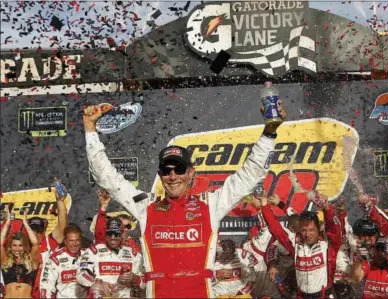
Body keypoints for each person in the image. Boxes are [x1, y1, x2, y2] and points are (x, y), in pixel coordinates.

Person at [83, 100, 286, 298]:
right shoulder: (145, 205)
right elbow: (106, 177)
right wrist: (90, 129)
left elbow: (250, 175)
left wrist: (269, 133)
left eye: (179, 169)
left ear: (191, 173)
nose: (172, 176)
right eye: (166, 170)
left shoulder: (210, 204)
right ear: (160, 174)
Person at [260, 192, 342, 299]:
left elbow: (335, 227)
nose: (307, 234)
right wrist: (264, 204)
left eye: (311, 230)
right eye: (304, 230)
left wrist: (327, 208)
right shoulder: (295, 244)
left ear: (318, 229)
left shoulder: (327, 245)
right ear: (299, 229)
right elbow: (276, 229)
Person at [76, 217, 145, 298]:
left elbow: (145, 281)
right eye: (110, 233)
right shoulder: (93, 251)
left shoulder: (133, 254)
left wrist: (135, 278)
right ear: (105, 234)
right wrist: (98, 282)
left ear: (122, 234)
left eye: (116, 234)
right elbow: (81, 274)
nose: (113, 237)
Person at [31, 185, 69, 298]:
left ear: (44, 231)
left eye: (39, 231)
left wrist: (60, 202)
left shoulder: (49, 243)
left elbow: (62, 227)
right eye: (33, 231)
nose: (36, 234)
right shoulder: (21, 246)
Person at [0, 210, 39, 299]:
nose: (17, 249)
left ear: (25, 246)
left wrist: (25, 223)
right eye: (14, 245)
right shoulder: (5, 262)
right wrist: (7, 222)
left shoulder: (31, 262)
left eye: (20, 245)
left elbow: (35, 244)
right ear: (10, 246)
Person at [40, 224, 86, 298]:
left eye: (77, 240)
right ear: (65, 241)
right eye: (71, 240)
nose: (74, 244)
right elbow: (45, 286)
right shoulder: (55, 258)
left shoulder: (88, 256)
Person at [93, 188, 141, 252]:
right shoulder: (102, 242)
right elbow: (100, 231)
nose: (126, 229)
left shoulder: (131, 245)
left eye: (128, 226)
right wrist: (103, 207)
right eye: (112, 232)